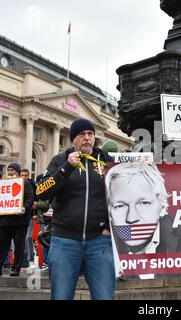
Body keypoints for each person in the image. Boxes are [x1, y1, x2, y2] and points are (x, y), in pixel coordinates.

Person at [36, 118, 115, 300]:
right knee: (61, 296)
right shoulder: (60, 160)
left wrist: (109, 229)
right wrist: (66, 168)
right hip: (64, 241)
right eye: (81, 134)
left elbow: (121, 195)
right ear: (73, 139)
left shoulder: (105, 160)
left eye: (90, 134)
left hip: (99, 242)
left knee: (105, 297)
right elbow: (42, 191)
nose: (87, 138)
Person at [105, 163, 181, 272]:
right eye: (120, 206)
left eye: (143, 203)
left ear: (162, 206)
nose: (131, 217)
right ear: (109, 210)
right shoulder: (100, 244)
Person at [0, 163, 35, 278]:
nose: (10, 172)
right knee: (0, 245)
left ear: (17, 171)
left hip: (19, 221)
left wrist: (24, 207)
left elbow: (30, 197)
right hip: (4, 221)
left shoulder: (25, 183)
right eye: (8, 170)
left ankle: (16, 268)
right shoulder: (3, 184)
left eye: (12, 170)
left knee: (18, 245)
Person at [20, 168, 37, 268]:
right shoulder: (16, 184)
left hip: (29, 215)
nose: (24, 177)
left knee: (28, 237)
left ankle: (30, 259)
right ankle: (20, 260)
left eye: (25, 175)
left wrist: (35, 211)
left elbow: (36, 199)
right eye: (22, 175)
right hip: (18, 217)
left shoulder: (32, 185)